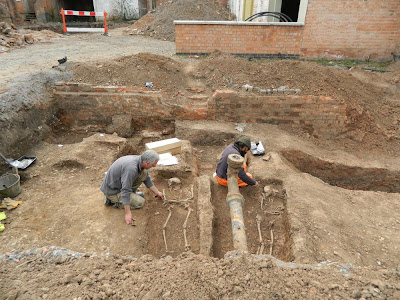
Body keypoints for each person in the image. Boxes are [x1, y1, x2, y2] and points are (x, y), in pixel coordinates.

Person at [100, 150, 164, 224]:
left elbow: (147, 179)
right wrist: (127, 213)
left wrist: (157, 192)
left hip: (119, 184)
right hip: (112, 191)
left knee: (144, 173)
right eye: (153, 165)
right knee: (140, 202)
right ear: (147, 163)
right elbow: (125, 190)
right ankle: (112, 201)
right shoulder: (131, 169)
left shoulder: (140, 161)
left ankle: (130, 196)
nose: (154, 167)